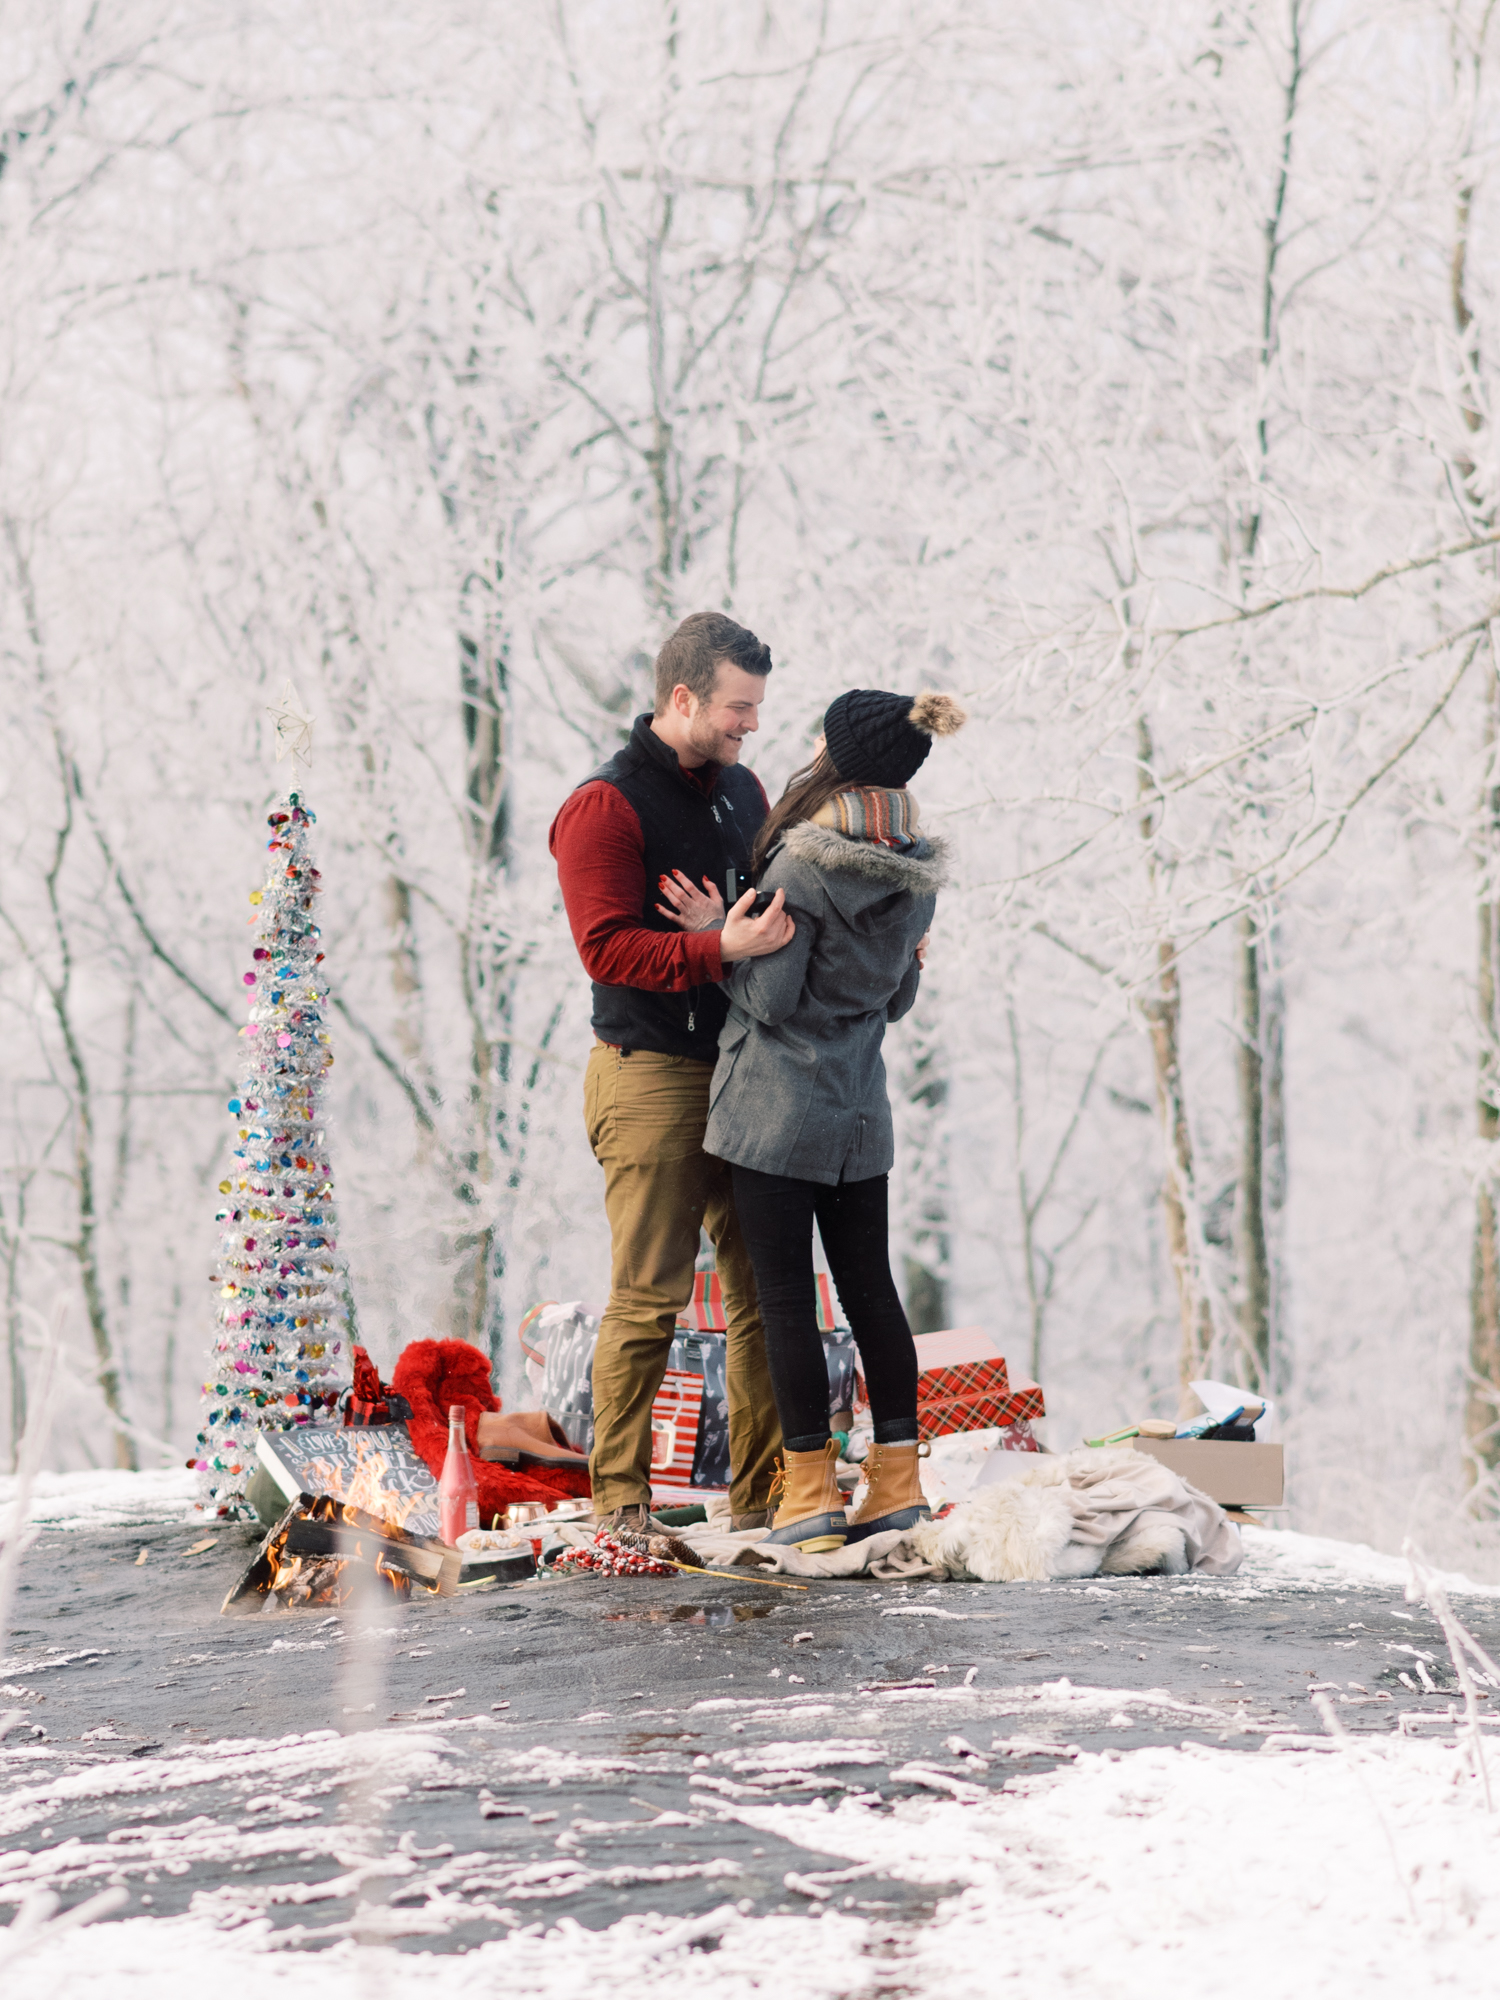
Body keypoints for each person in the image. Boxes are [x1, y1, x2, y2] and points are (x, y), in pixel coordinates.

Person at [690, 686, 966, 1550]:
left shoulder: (803, 869)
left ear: (838, 757)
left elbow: (772, 999)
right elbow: (896, 1000)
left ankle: (808, 1493)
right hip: (858, 1116)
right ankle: (896, 1481)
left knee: (781, 1300)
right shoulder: (915, 872)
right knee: (872, 1293)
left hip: (775, 1115)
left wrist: (717, 933)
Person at [549, 612, 795, 1534]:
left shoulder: (742, 792)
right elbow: (606, 950)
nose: (751, 725)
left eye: (758, 708)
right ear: (682, 698)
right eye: (739, 707)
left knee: (767, 1292)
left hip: (746, 1068)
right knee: (650, 1299)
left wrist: (731, 923)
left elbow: (769, 909)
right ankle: (620, 1504)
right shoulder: (603, 808)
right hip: (650, 1074)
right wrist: (713, 944)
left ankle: (766, 1500)